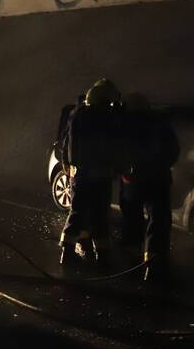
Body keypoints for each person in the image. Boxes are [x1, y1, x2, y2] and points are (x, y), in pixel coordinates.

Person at [59, 78, 122, 267]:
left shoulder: (77, 116)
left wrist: (67, 164)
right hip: (101, 175)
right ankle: (102, 255)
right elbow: (114, 147)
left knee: (77, 212)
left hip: (80, 175)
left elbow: (66, 144)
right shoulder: (107, 118)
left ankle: (67, 252)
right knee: (100, 214)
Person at [119, 93, 179, 281]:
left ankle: (131, 263)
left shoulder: (125, 124)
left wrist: (124, 171)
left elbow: (118, 151)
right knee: (158, 220)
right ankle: (154, 266)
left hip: (134, 180)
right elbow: (174, 150)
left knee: (132, 218)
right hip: (158, 179)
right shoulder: (160, 123)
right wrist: (163, 165)